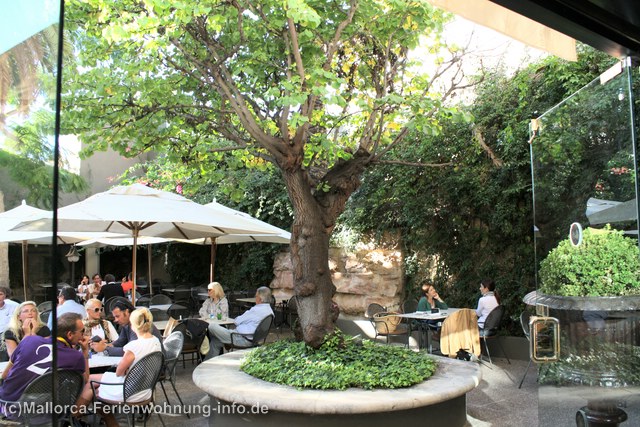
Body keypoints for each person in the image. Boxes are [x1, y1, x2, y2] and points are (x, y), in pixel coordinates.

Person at [76, 308, 161, 427]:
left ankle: (74, 417)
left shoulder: (133, 346)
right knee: (91, 382)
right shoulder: (155, 341)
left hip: (129, 391)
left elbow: (119, 372)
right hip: (146, 389)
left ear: (133, 325)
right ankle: (78, 417)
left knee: (91, 385)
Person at [0, 313, 88, 411]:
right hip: (39, 412)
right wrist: (85, 351)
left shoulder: (29, 340)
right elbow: (84, 380)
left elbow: (5, 375)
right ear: (70, 334)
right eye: (82, 331)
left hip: (6, 404)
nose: (83, 335)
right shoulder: (76, 356)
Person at [207, 286, 274, 358]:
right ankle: (207, 363)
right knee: (216, 341)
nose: (255, 298)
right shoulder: (269, 311)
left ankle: (205, 360)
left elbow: (237, 321)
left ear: (260, 299)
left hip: (240, 338)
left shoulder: (256, 310)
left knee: (211, 326)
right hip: (253, 339)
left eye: (256, 296)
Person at [91, 300, 163, 356]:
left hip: (153, 368)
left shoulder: (138, 326)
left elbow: (128, 351)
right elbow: (120, 342)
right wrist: (104, 345)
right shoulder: (127, 325)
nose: (115, 320)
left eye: (118, 316)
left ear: (127, 311)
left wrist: (105, 348)